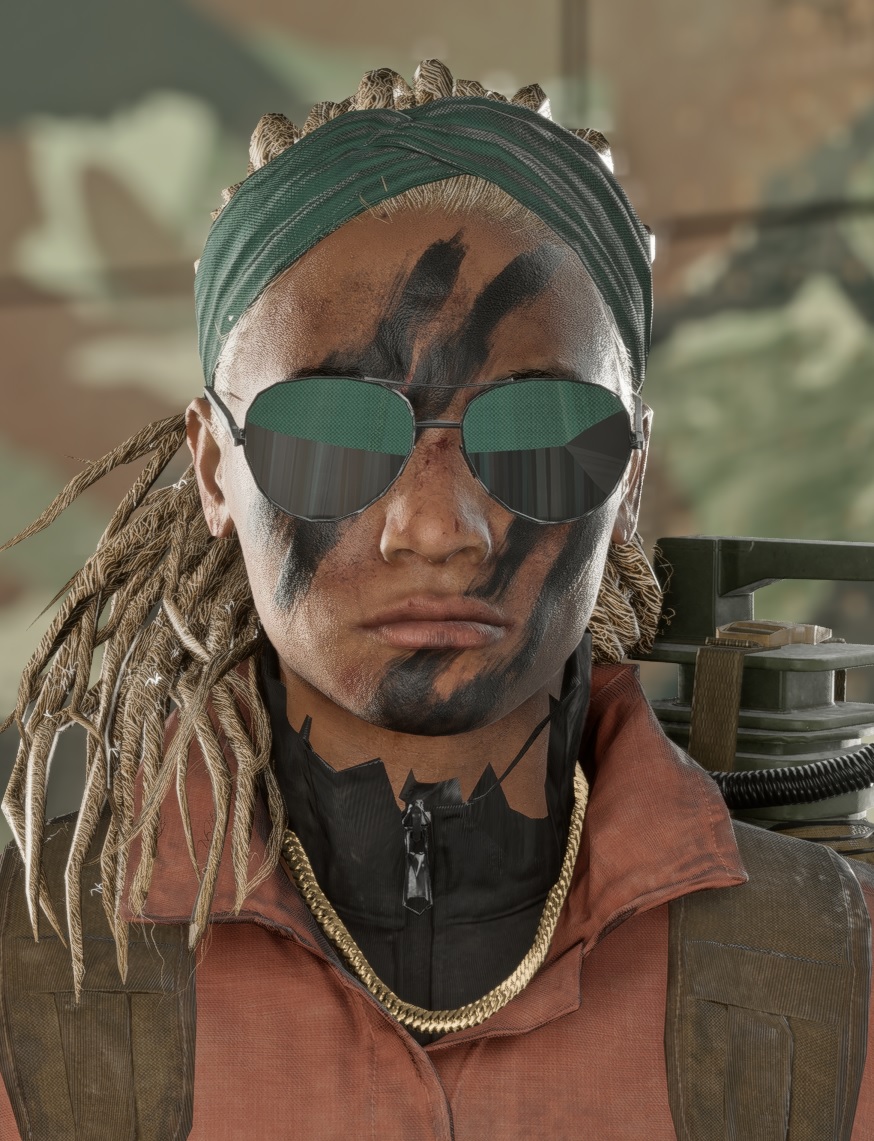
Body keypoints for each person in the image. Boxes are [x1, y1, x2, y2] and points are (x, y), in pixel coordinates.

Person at [0, 59, 872, 1140]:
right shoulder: (31, 983)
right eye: (331, 433)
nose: (436, 523)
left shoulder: (837, 976)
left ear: (632, 475)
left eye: (541, 432)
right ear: (215, 468)